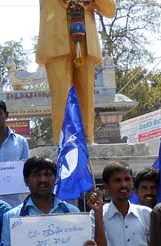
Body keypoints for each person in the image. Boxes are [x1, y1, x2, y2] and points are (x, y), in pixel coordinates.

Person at [37, 0, 117, 143]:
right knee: (61, 96)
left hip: (85, 39)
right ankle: (62, 141)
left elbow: (110, 10)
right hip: (55, 38)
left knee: (86, 94)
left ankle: (87, 139)